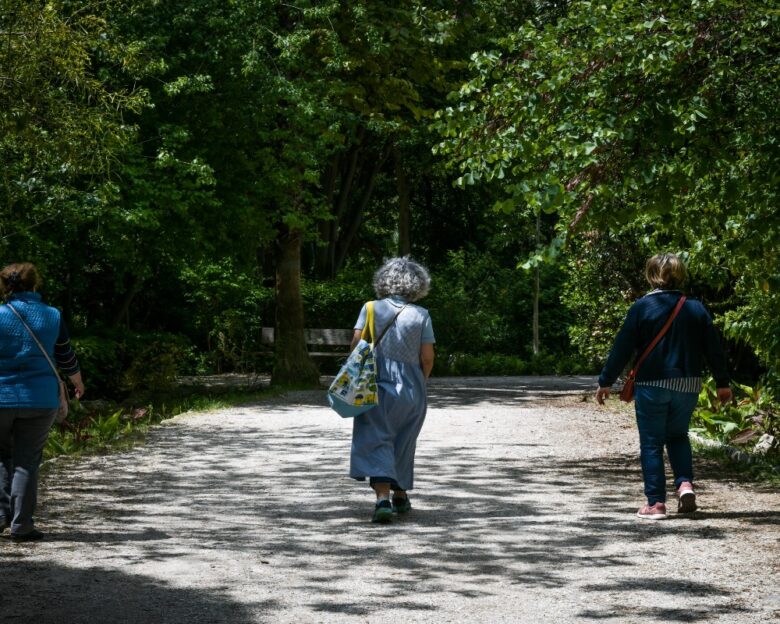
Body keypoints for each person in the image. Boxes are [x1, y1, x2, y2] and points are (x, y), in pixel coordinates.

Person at [595, 253, 732, 520]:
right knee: (678, 435)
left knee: (651, 443)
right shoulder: (695, 308)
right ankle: (684, 485)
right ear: (681, 274)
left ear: (651, 274)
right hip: (688, 383)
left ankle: (656, 504)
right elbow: (713, 349)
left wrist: (606, 381)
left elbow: (622, 347)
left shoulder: (641, 308)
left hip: (652, 383)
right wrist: (723, 383)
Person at [0, 263, 85, 541]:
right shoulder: (52, 315)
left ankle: (1, 517)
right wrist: (77, 382)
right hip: (39, 398)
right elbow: (65, 354)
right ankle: (21, 526)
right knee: (26, 462)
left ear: (5, 286)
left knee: (2, 456)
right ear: (36, 284)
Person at [349, 257, 435, 523]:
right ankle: (400, 494)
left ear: (384, 281)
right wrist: (419, 381)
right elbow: (427, 357)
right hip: (412, 387)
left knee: (377, 438)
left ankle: (382, 499)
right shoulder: (421, 315)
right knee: (404, 440)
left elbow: (355, 346)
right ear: (417, 284)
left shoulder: (370, 308)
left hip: (374, 385)